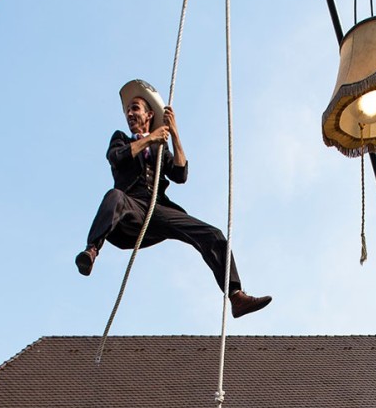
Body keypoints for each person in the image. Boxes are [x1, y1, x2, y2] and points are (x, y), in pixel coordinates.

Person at [75, 79, 272, 320]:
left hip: (157, 208)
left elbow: (180, 174)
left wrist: (175, 134)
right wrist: (150, 138)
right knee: (114, 195)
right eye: (128, 110)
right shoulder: (122, 138)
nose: (130, 113)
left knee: (213, 234)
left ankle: (235, 295)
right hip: (130, 207)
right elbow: (117, 157)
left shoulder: (161, 148)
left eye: (135, 108)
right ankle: (92, 250)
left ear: (149, 115)